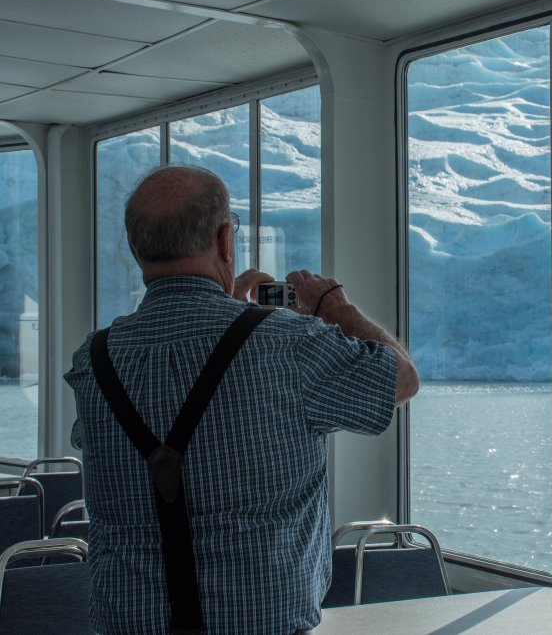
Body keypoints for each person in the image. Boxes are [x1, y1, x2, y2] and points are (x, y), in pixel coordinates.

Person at [65, 164, 418, 634]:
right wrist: (334, 306)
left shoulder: (92, 360)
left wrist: (231, 316)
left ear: (135, 248)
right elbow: (402, 381)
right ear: (226, 240)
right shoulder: (286, 344)